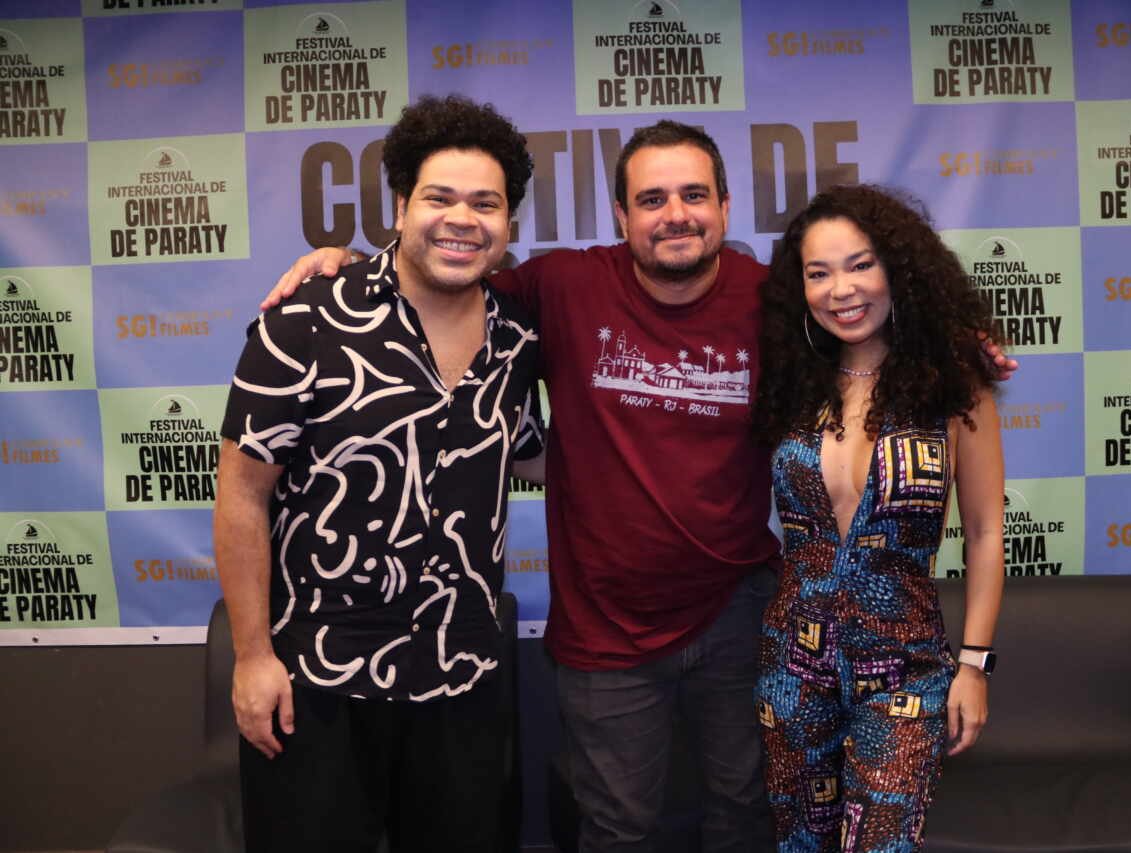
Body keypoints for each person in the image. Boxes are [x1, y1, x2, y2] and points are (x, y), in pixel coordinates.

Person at [265, 121, 1017, 853]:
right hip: (604, 630)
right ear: (622, 217)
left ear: (724, 207)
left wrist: (956, 340)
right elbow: (444, 276)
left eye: (694, 195)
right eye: (651, 199)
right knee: (620, 830)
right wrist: (350, 261)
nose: (675, 214)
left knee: (747, 818)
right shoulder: (561, 286)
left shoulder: (774, 300)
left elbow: (865, 318)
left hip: (743, 615)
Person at [212, 93, 543, 853]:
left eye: (485, 203)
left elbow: (530, 452)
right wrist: (253, 657)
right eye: (439, 197)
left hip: (461, 675)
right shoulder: (305, 320)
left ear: (509, 223)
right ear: (400, 206)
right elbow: (242, 494)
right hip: (315, 682)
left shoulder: (518, 338)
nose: (462, 219)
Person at [751, 184, 1005, 853]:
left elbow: (985, 532)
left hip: (905, 668)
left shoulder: (954, 385)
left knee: (882, 843)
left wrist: (975, 665)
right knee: (800, 843)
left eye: (861, 264)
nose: (842, 289)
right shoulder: (789, 380)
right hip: (792, 665)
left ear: (899, 269)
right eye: (818, 272)